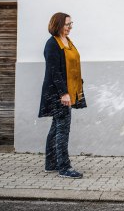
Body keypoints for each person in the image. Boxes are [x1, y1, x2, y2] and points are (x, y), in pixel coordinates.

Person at [38, 12, 86, 179]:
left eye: (71, 24)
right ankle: (64, 167)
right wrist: (64, 93)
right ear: (58, 24)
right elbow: (54, 71)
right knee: (62, 130)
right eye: (67, 24)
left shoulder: (68, 42)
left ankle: (51, 163)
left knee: (55, 128)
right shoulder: (52, 44)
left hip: (69, 91)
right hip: (59, 94)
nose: (70, 27)